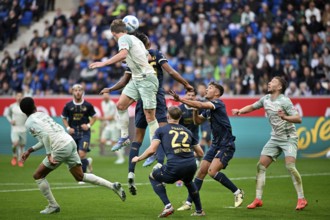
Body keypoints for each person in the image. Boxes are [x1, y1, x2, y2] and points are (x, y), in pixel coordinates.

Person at [102, 32, 194, 195]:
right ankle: (160, 165)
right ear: (147, 44)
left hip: (140, 97)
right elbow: (171, 72)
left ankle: (131, 173)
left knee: (137, 138)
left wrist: (111, 89)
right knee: (164, 134)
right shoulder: (155, 53)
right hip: (155, 96)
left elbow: (124, 81)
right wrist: (186, 84)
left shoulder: (131, 56)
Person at [19, 97, 125, 214]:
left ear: (23, 112)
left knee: (38, 175)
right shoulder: (42, 114)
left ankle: (53, 205)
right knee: (80, 176)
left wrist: (49, 154)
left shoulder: (29, 123)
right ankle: (112, 186)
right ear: (35, 106)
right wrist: (30, 150)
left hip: (59, 147)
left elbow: (45, 137)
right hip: (69, 142)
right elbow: (46, 138)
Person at [231, 76, 308, 210]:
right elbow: (253, 107)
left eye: (272, 82)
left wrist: (285, 117)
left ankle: (301, 199)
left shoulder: (285, 101)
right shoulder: (265, 99)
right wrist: (240, 111)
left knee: (290, 166)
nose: (269, 83)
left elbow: (298, 119)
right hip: (275, 138)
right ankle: (258, 199)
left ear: (279, 87)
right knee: (261, 166)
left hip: (289, 137)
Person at [169, 82, 244, 210]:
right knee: (200, 173)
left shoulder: (218, 103)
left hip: (226, 144)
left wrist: (182, 100)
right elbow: (197, 121)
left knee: (212, 172)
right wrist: (194, 111)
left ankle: (238, 192)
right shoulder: (209, 109)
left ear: (217, 93)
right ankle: (188, 203)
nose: (207, 89)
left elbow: (200, 104)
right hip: (215, 145)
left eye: (210, 88)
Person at [90, 19, 160, 158]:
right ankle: (124, 137)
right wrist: (131, 59)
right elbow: (147, 56)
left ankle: (154, 149)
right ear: (126, 29)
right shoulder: (134, 39)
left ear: (113, 33)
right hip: (137, 78)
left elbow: (122, 54)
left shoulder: (123, 39)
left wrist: (104, 63)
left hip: (146, 79)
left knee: (149, 115)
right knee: (121, 106)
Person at [132, 106, 205, 217]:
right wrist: (187, 154)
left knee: (153, 176)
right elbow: (200, 153)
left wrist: (139, 158)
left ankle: (168, 206)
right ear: (180, 117)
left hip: (175, 166)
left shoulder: (161, 130)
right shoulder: (188, 131)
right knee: (189, 182)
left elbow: (152, 150)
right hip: (191, 164)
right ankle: (199, 211)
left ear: (167, 116)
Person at [61, 84, 96, 179]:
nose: (78, 92)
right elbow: (64, 118)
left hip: (85, 134)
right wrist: (68, 128)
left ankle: (82, 176)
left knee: (82, 153)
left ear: (82, 92)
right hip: (73, 134)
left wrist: (88, 125)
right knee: (75, 157)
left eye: (80, 90)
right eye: (75, 90)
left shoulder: (87, 105)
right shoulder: (68, 105)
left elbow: (94, 117)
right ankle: (87, 162)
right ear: (72, 92)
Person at [99, 93, 125, 164]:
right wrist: (104, 122)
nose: (105, 97)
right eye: (104, 96)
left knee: (114, 143)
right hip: (108, 125)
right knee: (102, 140)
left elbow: (111, 117)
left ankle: (121, 158)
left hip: (115, 125)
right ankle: (119, 146)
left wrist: (101, 118)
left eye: (106, 96)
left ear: (109, 96)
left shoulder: (112, 104)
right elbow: (106, 114)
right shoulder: (103, 103)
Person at [5, 92, 27, 167]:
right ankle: (14, 156)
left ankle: (20, 160)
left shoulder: (25, 107)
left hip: (23, 129)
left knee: (22, 146)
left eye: (21, 96)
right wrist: (11, 120)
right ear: (16, 97)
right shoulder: (12, 106)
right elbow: (7, 115)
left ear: (22, 97)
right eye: (18, 96)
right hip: (15, 128)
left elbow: (28, 116)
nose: (19, 97)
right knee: (15, 143)